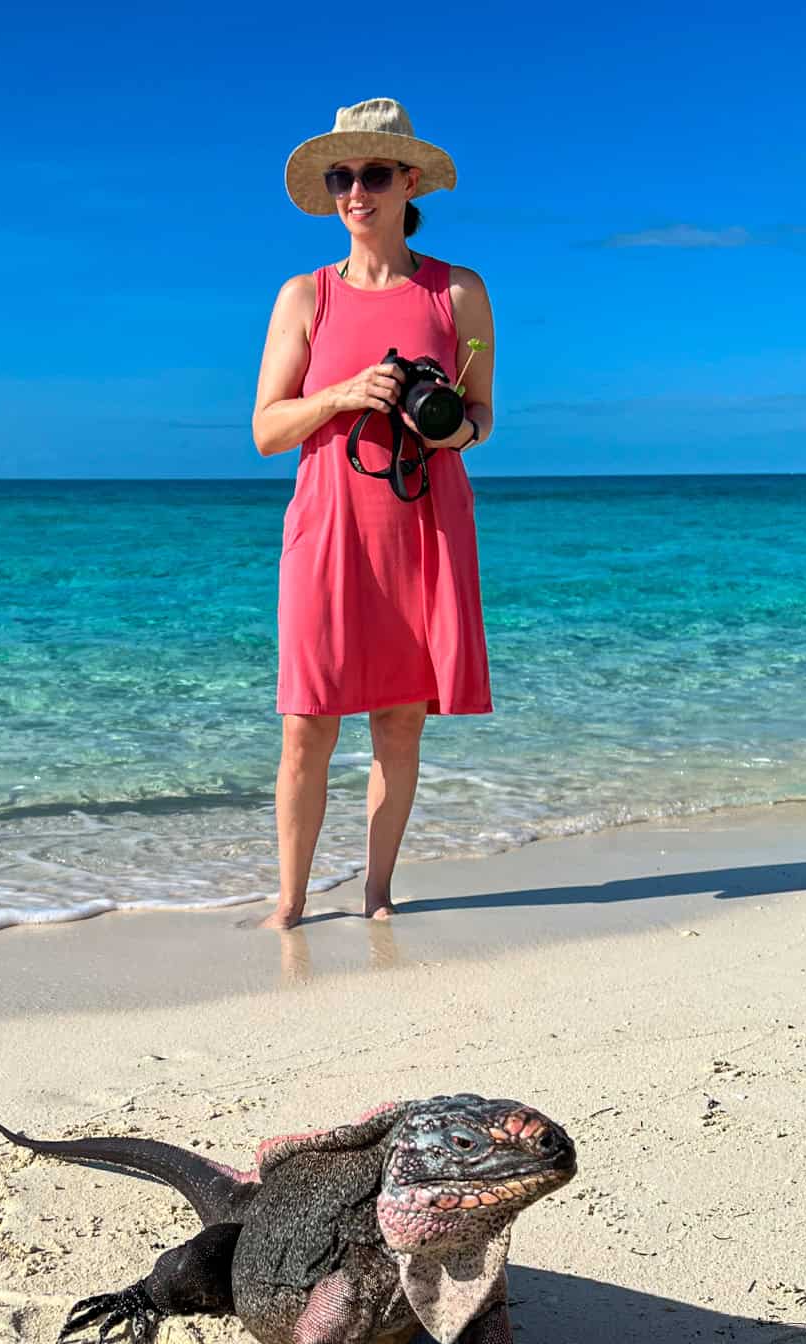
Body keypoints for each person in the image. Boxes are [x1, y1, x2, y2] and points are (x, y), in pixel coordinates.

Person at [252, 98, 495, 928]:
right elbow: (264, 430)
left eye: (375, 173)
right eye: (343, 177)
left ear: (409, 181)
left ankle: (377, 893)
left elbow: (483, 417)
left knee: (399, 722)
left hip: (422, 523)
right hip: (329, 529)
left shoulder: (457, 290)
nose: (357, 191)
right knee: (306, 724)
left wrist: (451, 423)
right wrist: (346, 394)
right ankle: (287, 902)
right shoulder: (304, 296)